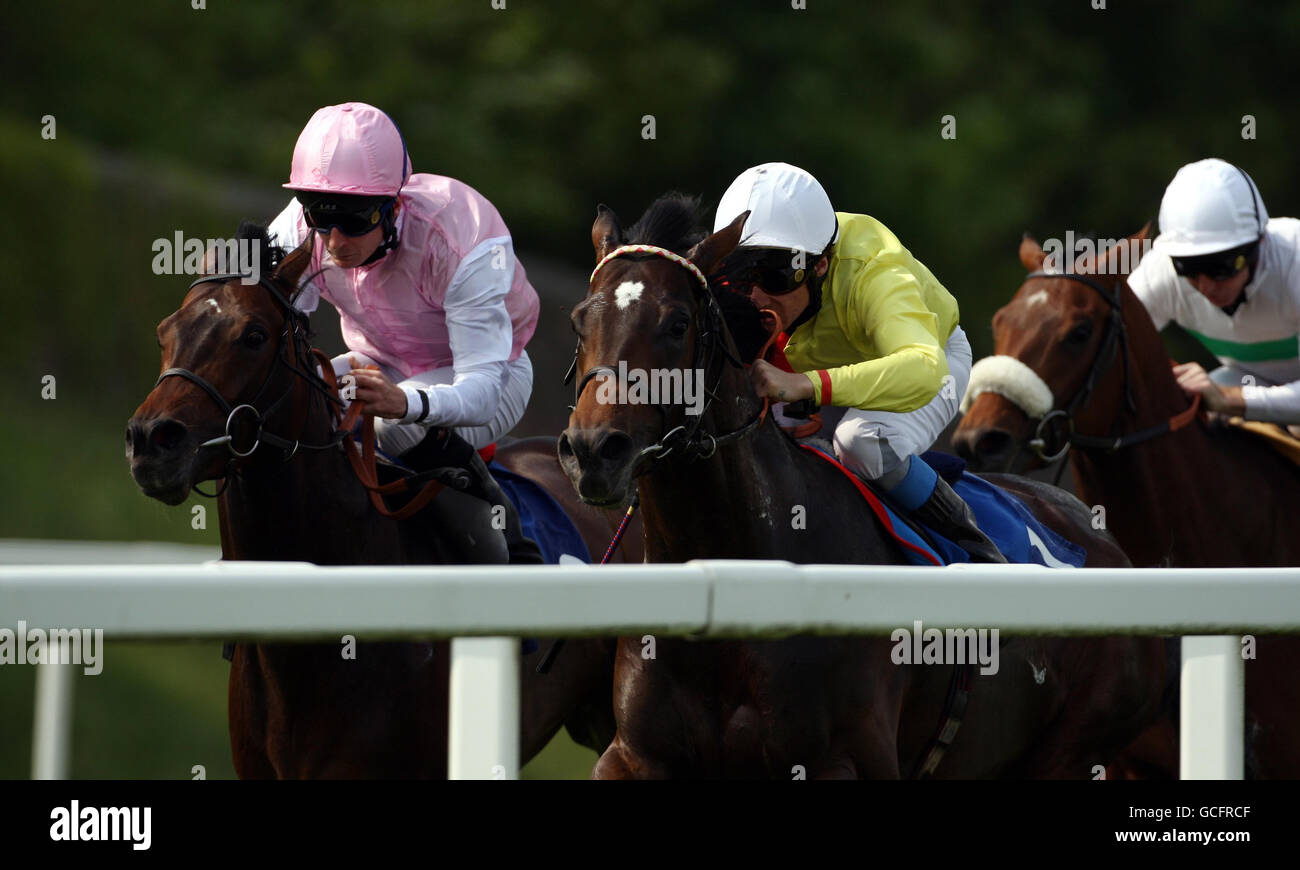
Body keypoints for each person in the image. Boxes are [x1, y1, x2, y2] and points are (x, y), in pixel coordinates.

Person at [267, 101, 542, 561]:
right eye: (320, 216)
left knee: (394, 426)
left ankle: (511, 545)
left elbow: (481, 391)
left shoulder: (460, 237)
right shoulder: (305, 224)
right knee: (288, 406)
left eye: (355, 221)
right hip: (377, 363)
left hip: (490, 376)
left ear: (394, 205)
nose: (334, 241)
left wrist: (407, 402)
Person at [713, 162, 1006, 562]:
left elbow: (922, 367)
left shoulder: (875, 270)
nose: (758, 296)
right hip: (816, 372)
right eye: (741, 277)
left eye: (777, 277)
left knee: (861, 441)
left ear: (821, 264)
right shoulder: (765, 284)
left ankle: (974, 545)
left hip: (930, 365)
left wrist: (810, 386)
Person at [1128, 158, 1300, 428]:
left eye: (1221, 267)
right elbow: (1105, 335)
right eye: (1189, 268)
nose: (1205, 287)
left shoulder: (1295, 261)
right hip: (1246, 378)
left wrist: (1229, 399)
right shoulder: (1162, 270)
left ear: (1259, 243)